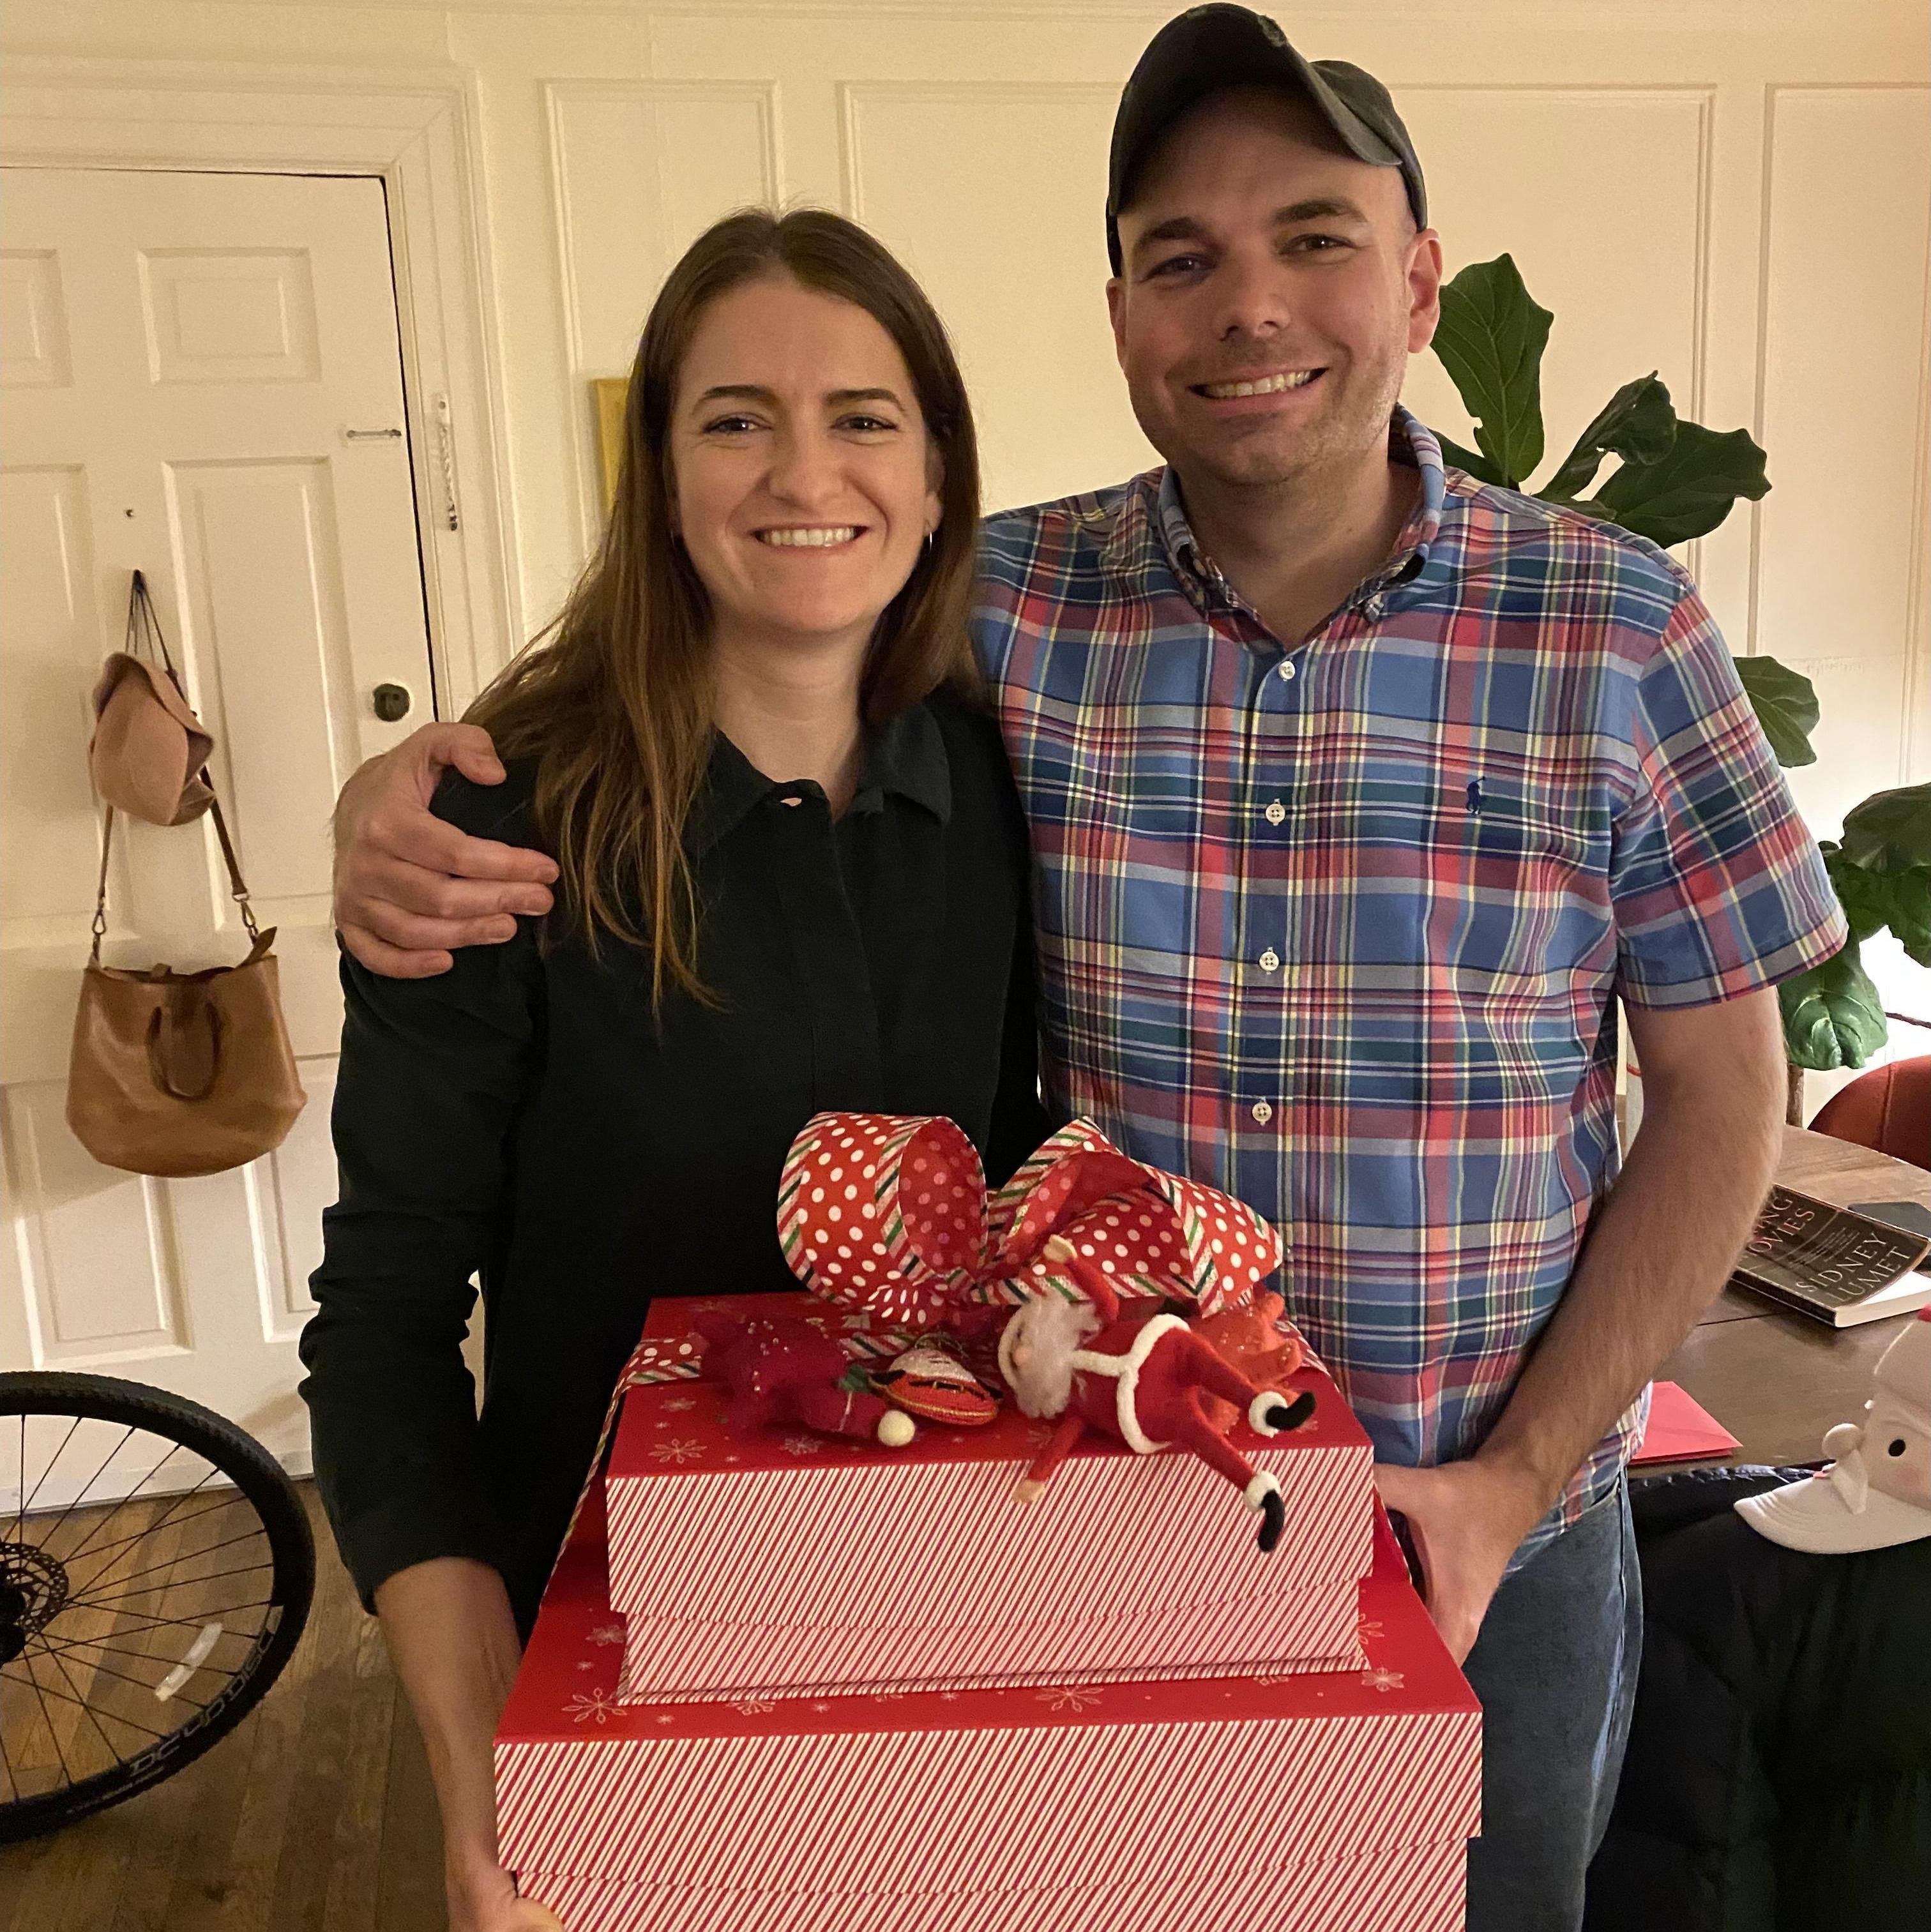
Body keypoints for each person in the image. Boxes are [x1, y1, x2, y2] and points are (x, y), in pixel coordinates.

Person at [325, 10, 1846, 1928]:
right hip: (1083, 1541)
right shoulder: (1012, 616)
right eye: (1181, 257)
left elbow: (1729, 1094)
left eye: (1312, 235)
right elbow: (731, 666)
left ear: (1420, 277)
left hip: (1476, 1532)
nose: (1249, 307)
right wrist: (393, 801)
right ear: (1119, 306)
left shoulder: (1618, 627)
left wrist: (1523, 1473)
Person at [298, 208, 1047, 1932]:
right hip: (611, 1659)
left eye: (864, 415)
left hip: (959, 1634)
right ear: (659, 472)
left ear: (938, 474)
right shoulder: (498, 830)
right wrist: (479, 1739)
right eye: (736, 417)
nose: (806, 468)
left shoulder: (1011, 788)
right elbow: (386, 1316)